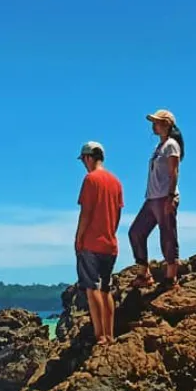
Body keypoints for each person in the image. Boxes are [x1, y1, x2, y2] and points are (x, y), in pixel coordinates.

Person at [74, 141, 124, 344]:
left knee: (92, 288)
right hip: (110, 243)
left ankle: (100, 335)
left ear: (88, 157)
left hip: (91, 243)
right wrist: (110, 231)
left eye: (83, 160)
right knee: (106, 289)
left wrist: (79, 237)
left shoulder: (90, 179)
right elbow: (118, 213)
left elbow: (85, 212)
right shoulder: (116, 182)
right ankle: (110, 334)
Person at [129, 109, 184, 288]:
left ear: (166, 124)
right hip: (152, 198)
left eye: (157, 122)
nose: (154, 125)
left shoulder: (171, 145)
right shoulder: (159, 147)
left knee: (167, 235)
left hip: (164, 197)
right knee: (136, 232)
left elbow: (174, 172)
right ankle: (144, 273)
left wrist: (170, 196)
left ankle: (171, 277)